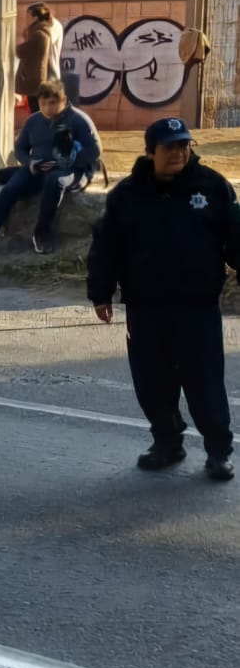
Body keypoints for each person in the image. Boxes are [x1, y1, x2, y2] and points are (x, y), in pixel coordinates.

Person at [88, 116, 237, 481]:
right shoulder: (127, 195)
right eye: (170, 147)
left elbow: (235, 236)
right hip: (146, 306)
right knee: (153, 382)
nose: (179, 153)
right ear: (151, 152)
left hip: (196, 306)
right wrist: (100, 292)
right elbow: (106, 247)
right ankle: (168, 442)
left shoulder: (212, 187)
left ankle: (218, 451)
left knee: (204, 383)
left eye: (184, 145)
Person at [0, 78, 100, 258]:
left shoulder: (78, 120)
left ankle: (42, 235)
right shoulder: (33, 121)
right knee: (10, 188)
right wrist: (30, 163)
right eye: (43, 103)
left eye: (53, 103)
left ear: (63, 101)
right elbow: (20, 149)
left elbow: (94, 150)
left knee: (54, 180)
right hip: (37, 168)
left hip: (73, 170)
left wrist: (66, 162)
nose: (48, 108)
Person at [15, 4, 56, 114]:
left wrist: (10, 47)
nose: (26, 19)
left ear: (35, 18)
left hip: (33, 81)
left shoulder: (39, 34)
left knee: (36, 112)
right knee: (36, 111)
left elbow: (20, 51)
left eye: (28, 16)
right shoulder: (41, 33)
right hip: (35, 80)